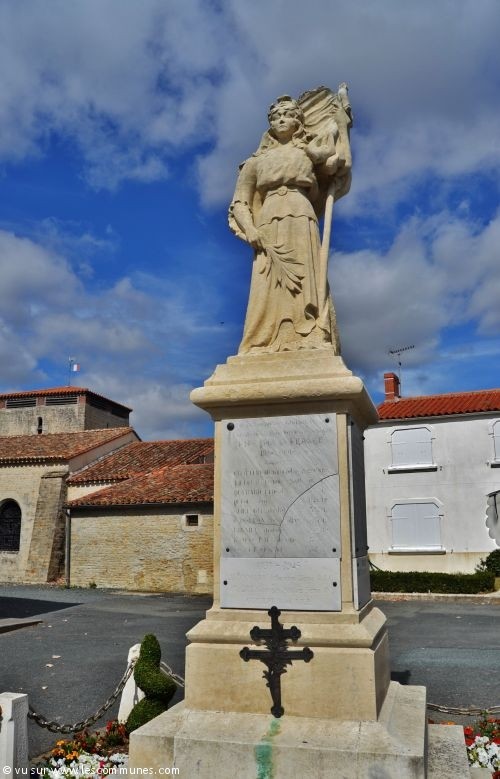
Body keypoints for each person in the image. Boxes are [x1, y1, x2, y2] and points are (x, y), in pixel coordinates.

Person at [229, 94, 345, 355]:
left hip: (301, 215)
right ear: (270, 123)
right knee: (267, 282)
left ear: (298, 121)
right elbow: (239, 202)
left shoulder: (309, 152)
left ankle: (311, 333)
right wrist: (250, 229)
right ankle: (262, 340)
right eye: (276, 116)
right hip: (268, 222)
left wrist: (339, 128)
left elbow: (335, 166)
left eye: (288, 114)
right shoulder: (255, 162)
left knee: (305, 278)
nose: (281, 119)